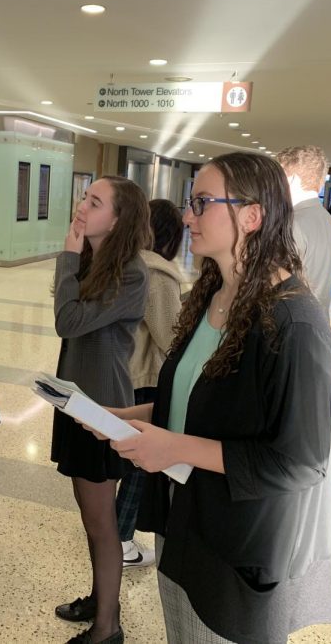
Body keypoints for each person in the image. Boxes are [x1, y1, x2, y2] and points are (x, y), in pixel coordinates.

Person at [100, 153, 331, 643]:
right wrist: (124, 417)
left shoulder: (293, 324)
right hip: (183, 519)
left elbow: (299, 462)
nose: (188, 216)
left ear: (251, 217)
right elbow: (196, 403)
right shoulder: (213, 297)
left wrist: (174, 448)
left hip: (235, 545)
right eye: (192, 204)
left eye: (203, 203)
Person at [51, 176, 149, 644]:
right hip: (77, 399)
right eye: (85, 198)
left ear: (118, 219)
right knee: (89, 515)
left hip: (100, 409)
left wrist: (67, 256)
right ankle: (100, 597)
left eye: (94, 202)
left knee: (100, 523)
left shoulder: (130, 272)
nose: (82, 207)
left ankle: (107, 627)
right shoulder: (99, 263)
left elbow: (67, 321)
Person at [116, 198, 184, 570]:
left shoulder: (124, 261)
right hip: (143, 377)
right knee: (141, 466)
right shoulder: (158, 274)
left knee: (123, 460)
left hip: (120, 372)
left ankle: (112, 531)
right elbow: (168, 336)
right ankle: (120, 537)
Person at [276, 145, 331, 311]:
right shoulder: (330, 222)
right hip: (316, 320)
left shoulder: (291, 223)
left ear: (291, 179)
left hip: (290, 322)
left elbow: (276, 286)